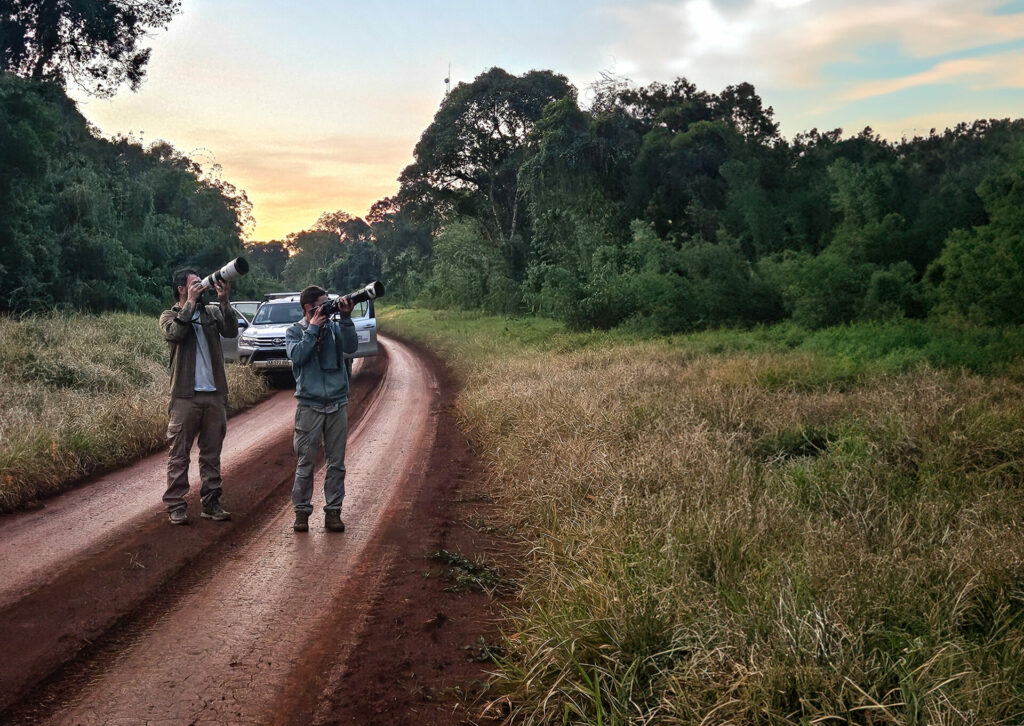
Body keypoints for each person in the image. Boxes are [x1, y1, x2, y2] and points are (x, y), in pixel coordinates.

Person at [158, 268, 238, 525]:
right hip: (184, 395)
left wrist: (224, 300)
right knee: (179, 453)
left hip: (214, 393)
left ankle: (211, 502)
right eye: (194, 284)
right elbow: (176, 333)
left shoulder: (212, 312)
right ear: (181, 289)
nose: (201, 287)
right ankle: (176, 505)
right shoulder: (169, 315)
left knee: (211, 453)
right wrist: (190, 304)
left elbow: (230, 331)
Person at [286, 285, 357, 532]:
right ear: (308, 308)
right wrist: (313, 329)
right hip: (309, 405)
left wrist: (346, 318)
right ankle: (301, 513)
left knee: (336, 463)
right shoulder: (294, 331)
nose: (327, 307)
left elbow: (351, 348)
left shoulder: (336, 328)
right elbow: (298, 356)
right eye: (322, 304)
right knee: (305, 463)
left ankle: (333, 513)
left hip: (337, 402)